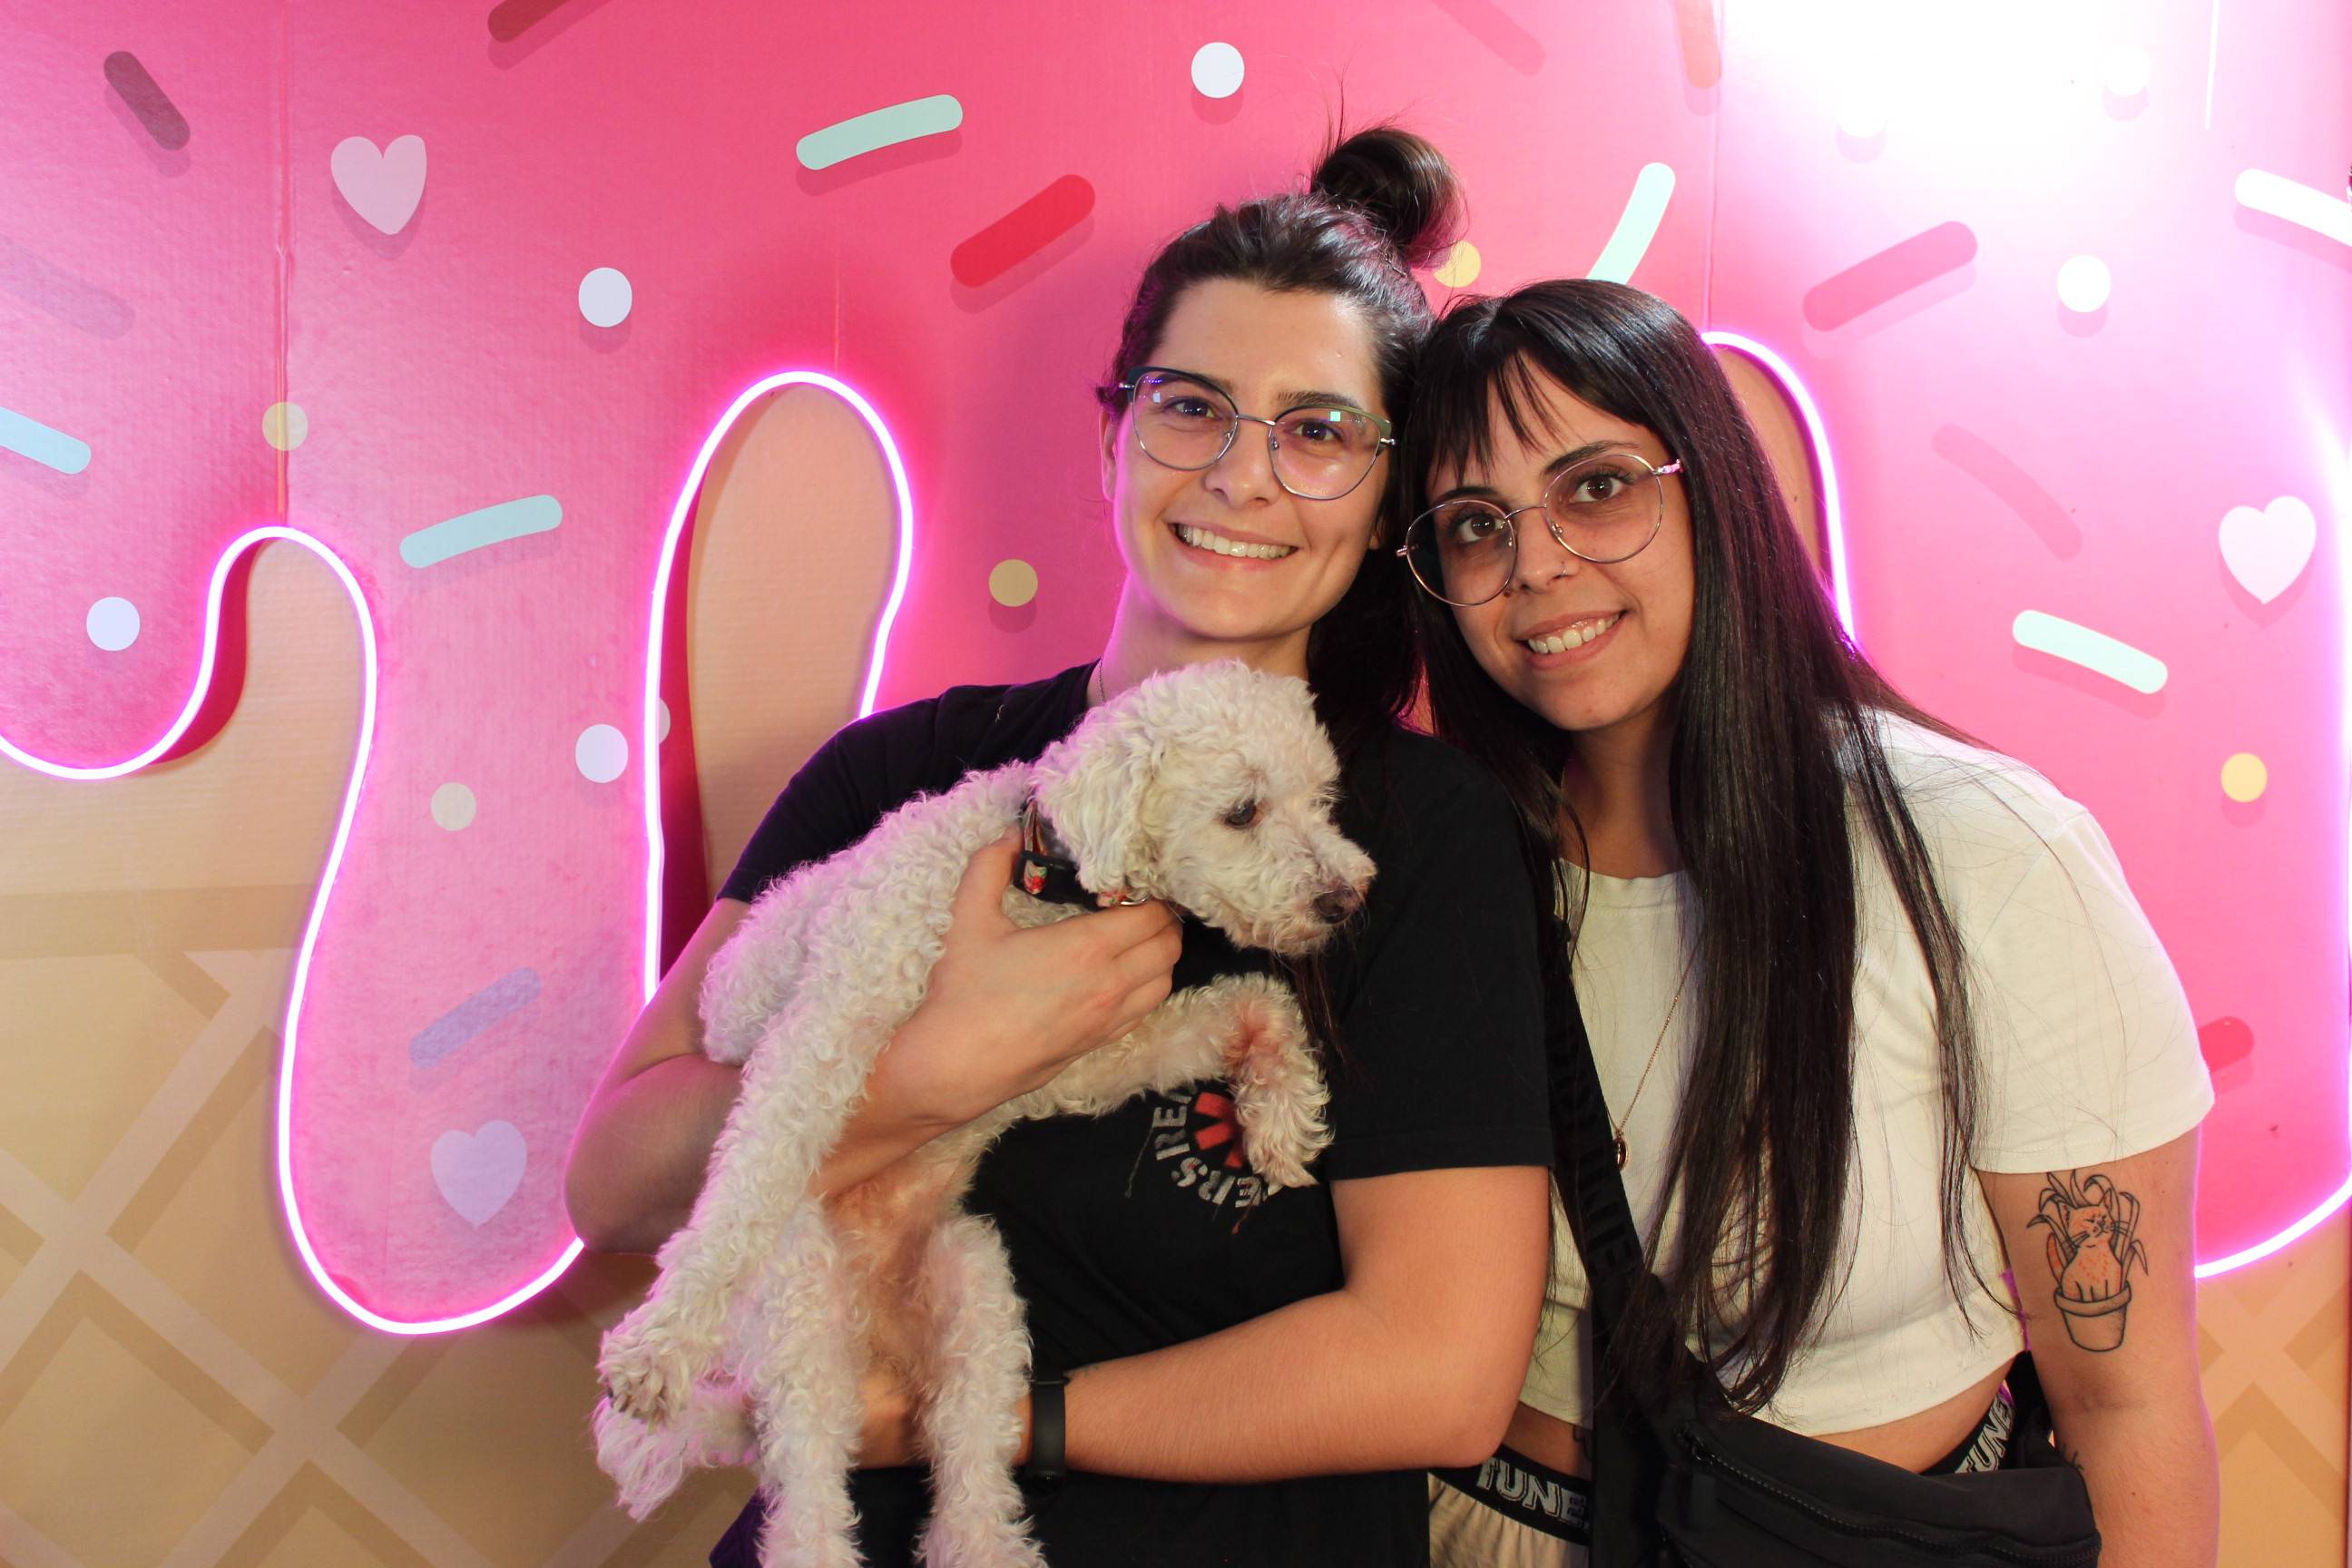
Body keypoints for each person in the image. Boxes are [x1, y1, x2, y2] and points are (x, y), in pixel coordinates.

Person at [564, 128, 1554, 1568]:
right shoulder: (898, 776)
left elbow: (1437, 1373)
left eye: (1319, 431)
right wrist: (932, 1067)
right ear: (1113, 439)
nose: (1243, 475)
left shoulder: (1417, 843)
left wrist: (980, 1422)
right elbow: (613, 1179)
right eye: (1192, 408)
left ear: (1385, 498)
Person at [1396, 279, 2219, 1566]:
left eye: (1597, 487)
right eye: (1474, 524)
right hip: (1481, 1530)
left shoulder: (1980, 849)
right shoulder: (1438, 871)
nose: (1536, 564)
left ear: (1713, 491)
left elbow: (2129, 1398)